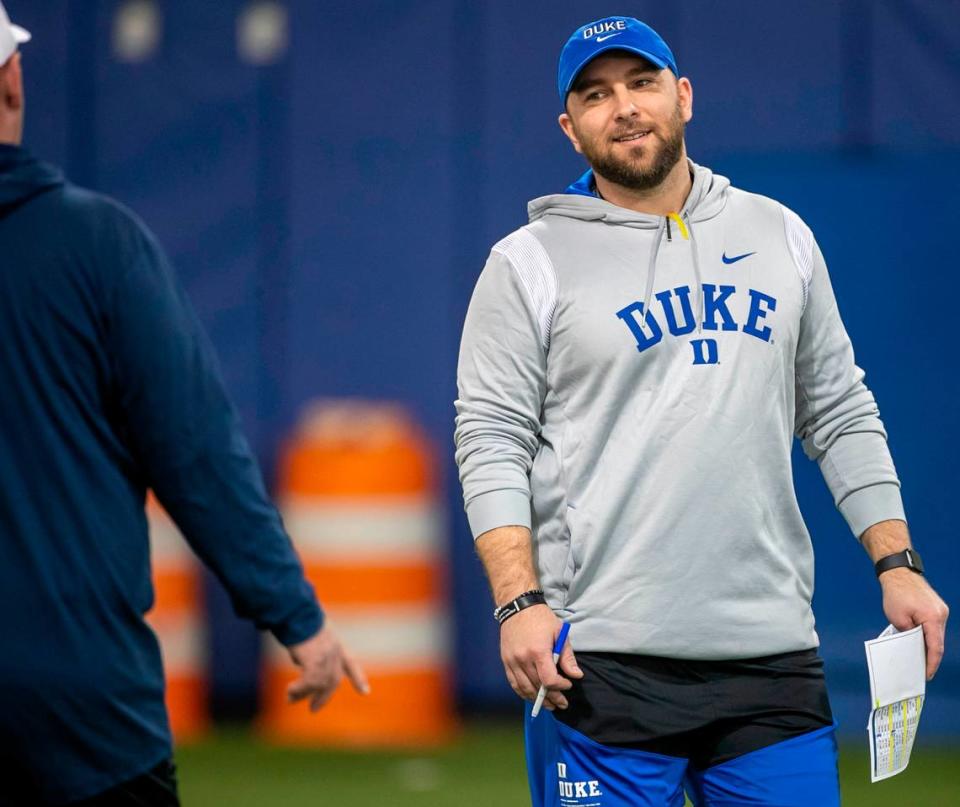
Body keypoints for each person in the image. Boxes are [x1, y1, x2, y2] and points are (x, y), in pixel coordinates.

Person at [454, 15, 948, 807]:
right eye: (596, 94)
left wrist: (898, 563)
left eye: (642, 83)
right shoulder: (527, 263)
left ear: (682, 95)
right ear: (569, 126)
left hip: (770, 658)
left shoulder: (780, 233)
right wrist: (519, 602)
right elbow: (490, 440)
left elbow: (839, 409)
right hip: (599, 661)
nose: (624, 107)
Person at [0, 7, 367, 805]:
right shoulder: (98, 246)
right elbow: (197, 455)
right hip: (81, 714)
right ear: (12, 76)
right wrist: (296, 617)